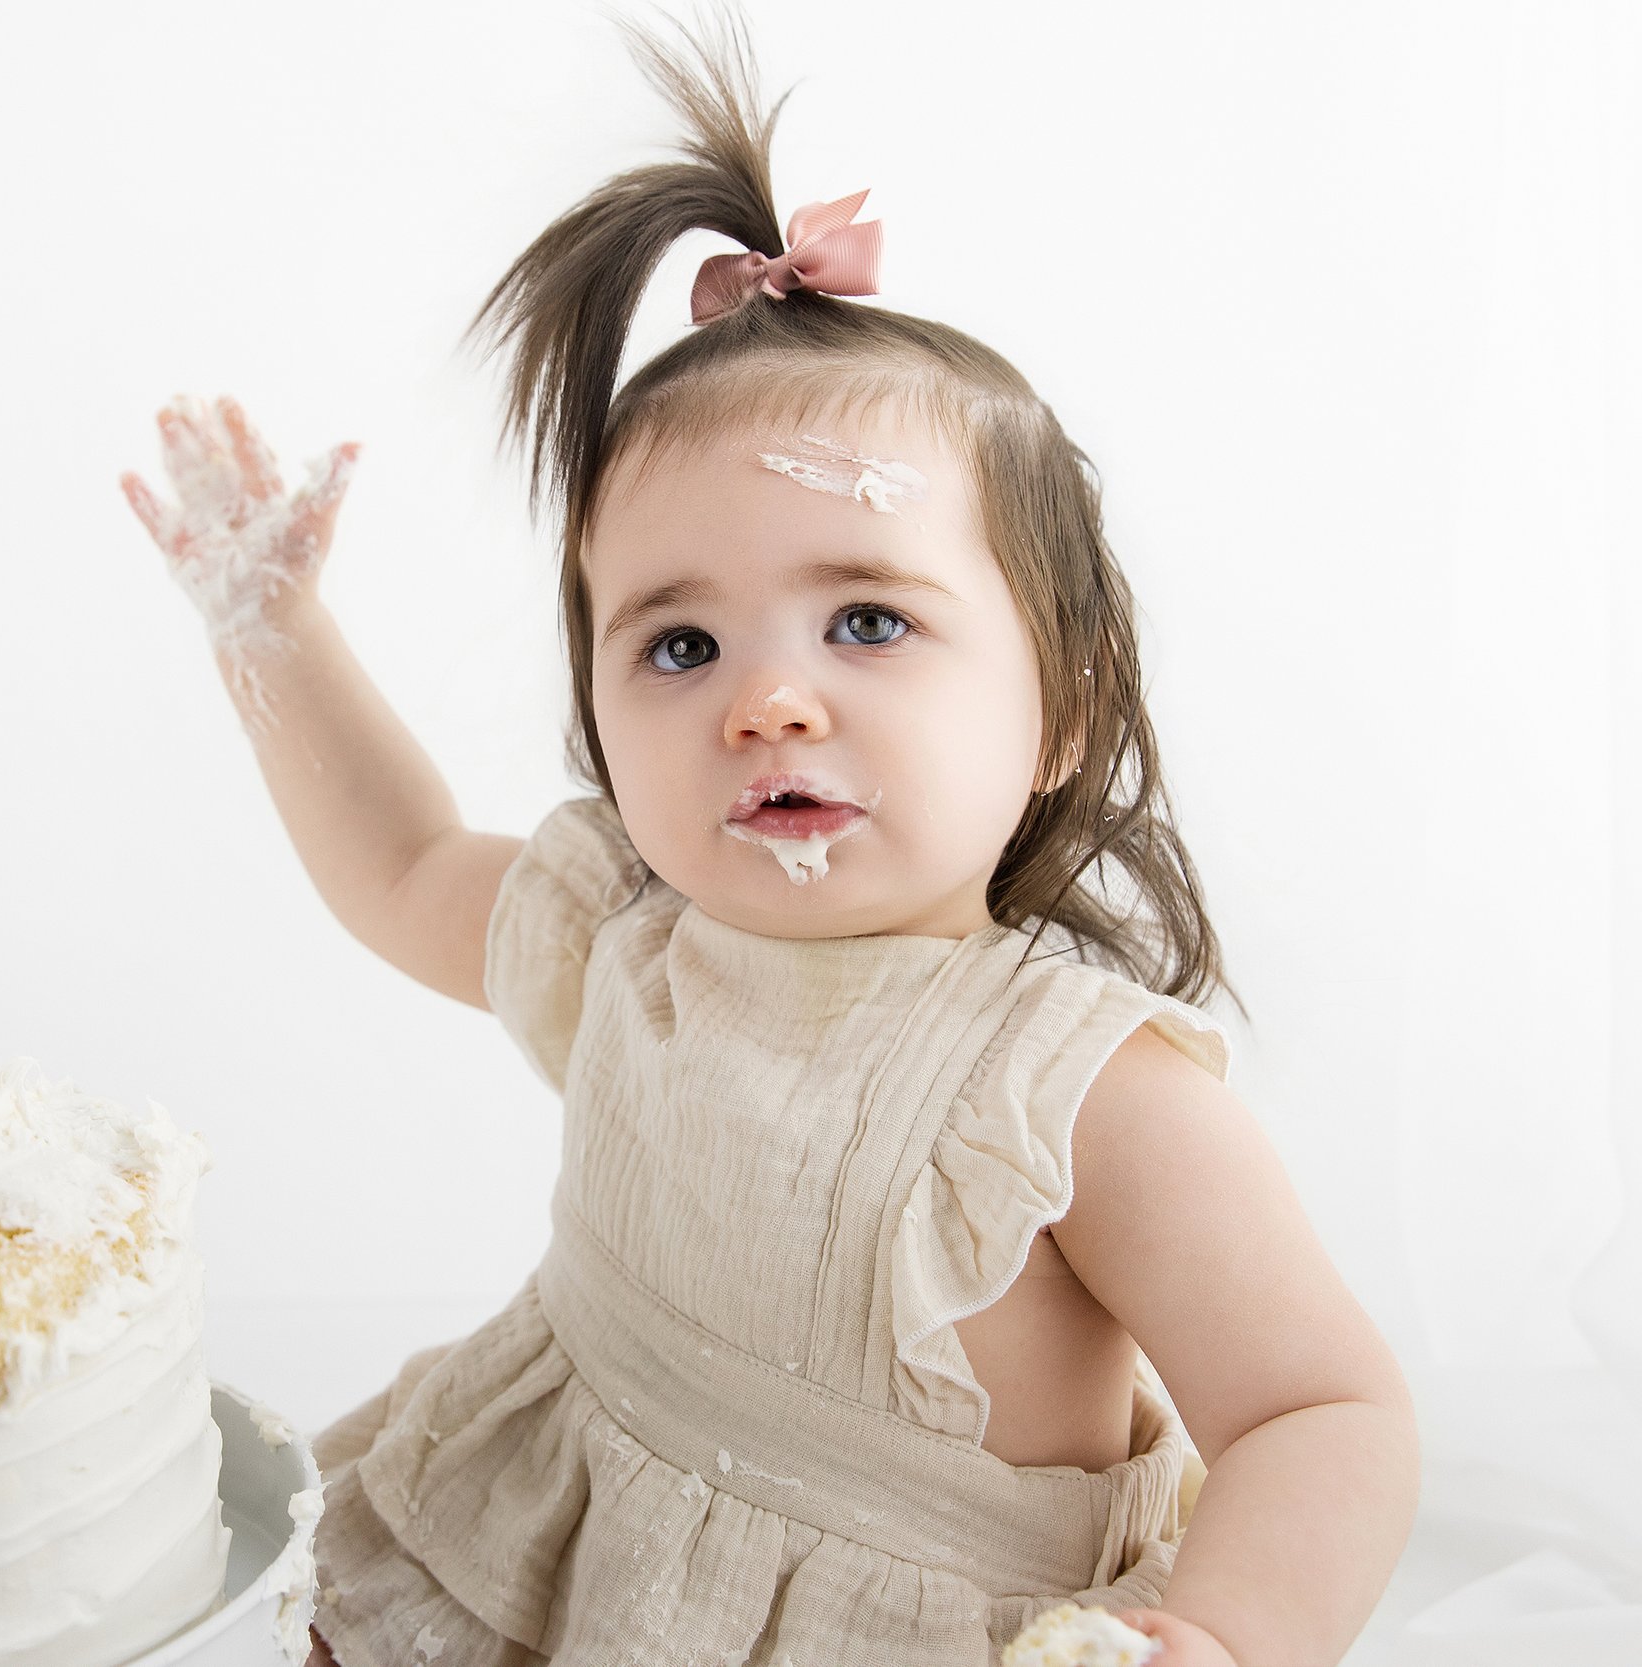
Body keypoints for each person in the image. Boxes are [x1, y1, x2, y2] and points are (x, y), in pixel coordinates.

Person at [117, 9, 1418, 1663]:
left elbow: (1327, 1412)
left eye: (867, 624)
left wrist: (1220, 1638)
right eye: (679, 646)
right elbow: (401, 867)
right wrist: (270, 628)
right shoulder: (625, 939)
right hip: (541, 1545)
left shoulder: (1084, 1096)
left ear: (1067, 706)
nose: (767, 704)